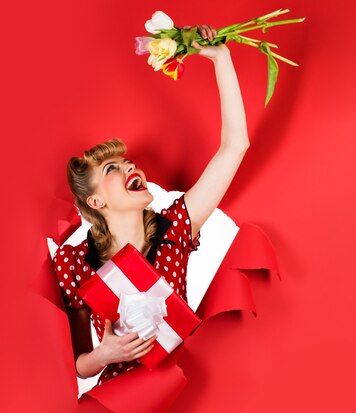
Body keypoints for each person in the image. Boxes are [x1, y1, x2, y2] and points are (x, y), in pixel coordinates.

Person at [52, 24, 250, 386]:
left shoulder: (175, 228)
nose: (131, 166)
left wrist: (222, 58)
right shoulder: (73, 262)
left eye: (130, 163)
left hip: (186, 390)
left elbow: (235, 146)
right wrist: (103, 355)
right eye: (114, 168)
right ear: (95, 201)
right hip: (119, 398)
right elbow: (77, 363)